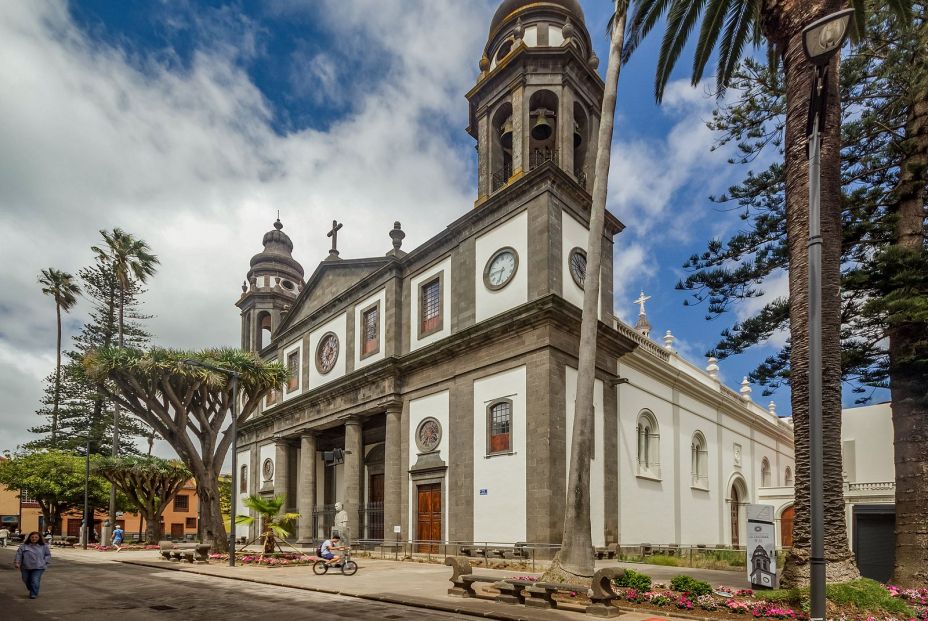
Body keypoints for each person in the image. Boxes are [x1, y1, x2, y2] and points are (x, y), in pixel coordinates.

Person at [14, 532, 51, 599]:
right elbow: (19, 554)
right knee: (25, 579)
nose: (34, 538)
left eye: (36, 537)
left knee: (35, 580)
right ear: (29, 538)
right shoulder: (24, 546)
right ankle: (32, 588)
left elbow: (48, 555)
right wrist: (17, 562)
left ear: (39, 538)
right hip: (25, 566)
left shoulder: (44, 546)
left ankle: (33, 593)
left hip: (39, 566)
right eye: (32, 537)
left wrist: (45, 561)